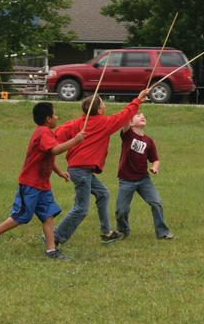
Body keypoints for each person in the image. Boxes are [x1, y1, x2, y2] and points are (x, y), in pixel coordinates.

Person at [0, 102, 84, 260]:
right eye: (55, 115)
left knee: (48, 214)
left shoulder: (47, 132)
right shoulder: (43, 132)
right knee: (22, 215)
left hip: (43, 185)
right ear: (48, 119)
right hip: (30, 184)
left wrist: (59, 173)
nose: (57, 117)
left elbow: (48, 157)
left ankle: (51, 250)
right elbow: (55, 150)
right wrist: (75, 141)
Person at [53, 87, 150, 247]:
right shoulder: (104, 123)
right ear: (98, 110)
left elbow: (57, 134)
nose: (105, 106)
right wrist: (138, 98)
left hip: (79, 170)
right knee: (81, 209)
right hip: (81, 170)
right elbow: (125, 115)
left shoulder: (77, 123)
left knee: (103, 193)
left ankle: (106, 232)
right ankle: (56, 236)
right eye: (103, 104)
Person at [115, 112, 173, 240]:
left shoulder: (149, 141)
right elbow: (125, 118)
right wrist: (132, 108)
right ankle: (123, 231)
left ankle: (163, 232)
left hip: (143, 180)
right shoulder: (127, 134)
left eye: (143, 115)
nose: (142, 116)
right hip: (126, 180)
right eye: (137, 115)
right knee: (121, 211)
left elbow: (155, 159)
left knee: (156, 203)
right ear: (131, 123)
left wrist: (155, 168)